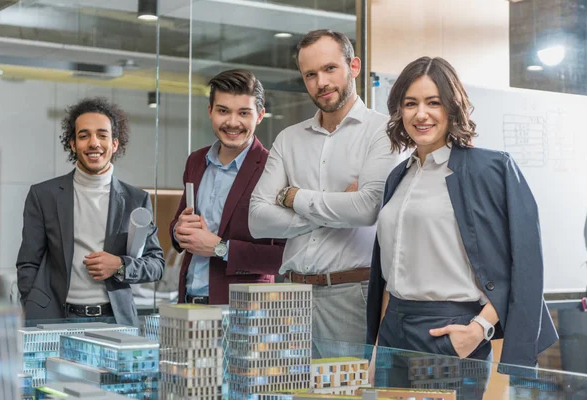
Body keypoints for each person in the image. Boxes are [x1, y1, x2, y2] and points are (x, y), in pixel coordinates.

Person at [366, 57, 557, 382]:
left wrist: (479, 328)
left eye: (433, 102)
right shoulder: (399, 176)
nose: (420, 114)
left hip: (449, 328)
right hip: (394, 327)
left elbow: (523, 264)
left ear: (453, 107)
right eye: (410, 103)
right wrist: (376, 350)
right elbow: (390, 272)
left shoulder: (491, 169)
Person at [249, 29, 401, 352]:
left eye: (330, 69)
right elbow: (257, 219)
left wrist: (293, 198)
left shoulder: (383, 132)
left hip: (349, 295)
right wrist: (335, 209)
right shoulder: (289, 139)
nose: (321, 82)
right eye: (311, 74)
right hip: (288, 296)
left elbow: (366, 209)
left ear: (354, 67)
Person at [16, 97, 165, 326]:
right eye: (84, 136)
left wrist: (120, 265)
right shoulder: (43, 195)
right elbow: (28, 263)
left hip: (115, 320)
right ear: (73, 144)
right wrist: (32, 304)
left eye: (102, 135)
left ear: (115, 144)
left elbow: (155, 263)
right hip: (56, 319)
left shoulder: (136, 199)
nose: (94, 143)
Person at [170, 69, 284, 305]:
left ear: (260, 115)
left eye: (244, 113)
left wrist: (221, 249)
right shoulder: (196, 161)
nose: (232, 122)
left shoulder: (274, 168)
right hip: (190, 302)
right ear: (210, 111)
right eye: (223, 111)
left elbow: (285, 256)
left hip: (246, 311)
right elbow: (179, 222)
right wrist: (178, 231)